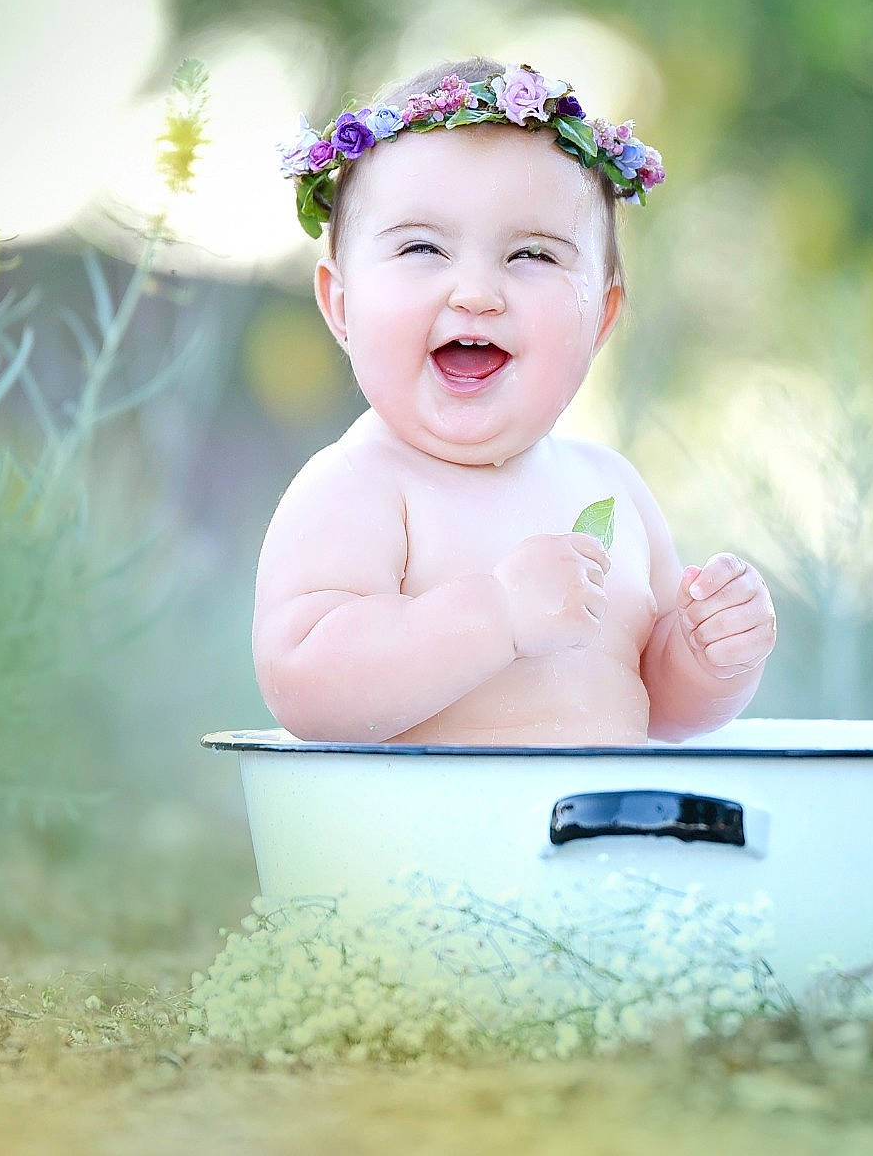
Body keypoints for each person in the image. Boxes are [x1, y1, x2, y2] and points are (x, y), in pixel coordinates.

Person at [251, 56, 777, 745]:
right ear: (342, 303)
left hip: (602, 817)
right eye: (422, 247)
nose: (476, 293)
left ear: (600, 318)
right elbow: (305, 682)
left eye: (532, 255)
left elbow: (660, 707)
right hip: (426, 819)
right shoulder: (358, 486)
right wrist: (496, 612)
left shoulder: (612, 488)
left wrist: (707, 657)